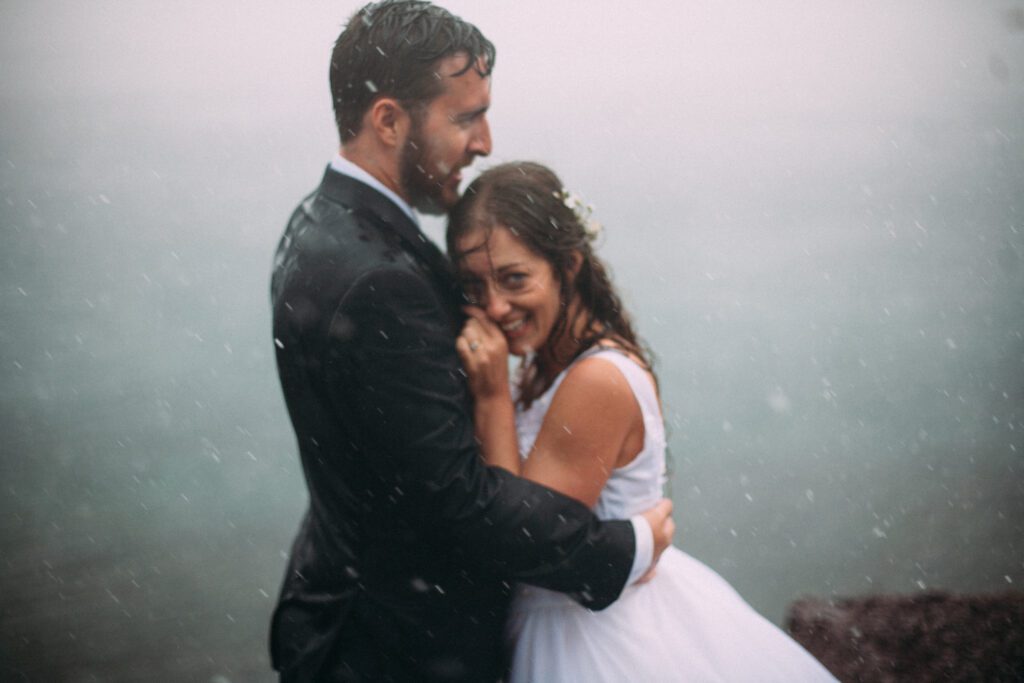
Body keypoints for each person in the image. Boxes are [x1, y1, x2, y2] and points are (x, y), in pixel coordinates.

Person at [268, 3, 674, 681]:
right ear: (389, 119)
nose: (484, 142)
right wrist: (624, 546)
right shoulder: (378, 281)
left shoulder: (317, 223)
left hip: (341, 614)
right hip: (398, 650)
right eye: (464, 118)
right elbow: (460, 502)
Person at [448, 161, 839, 682]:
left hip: (591, 641)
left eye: (515, 279)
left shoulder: (596, 380)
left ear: (568, 266)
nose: (494, 307)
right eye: (475, 287)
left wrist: (493, 395)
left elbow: (521, 541)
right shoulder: (547, 363)